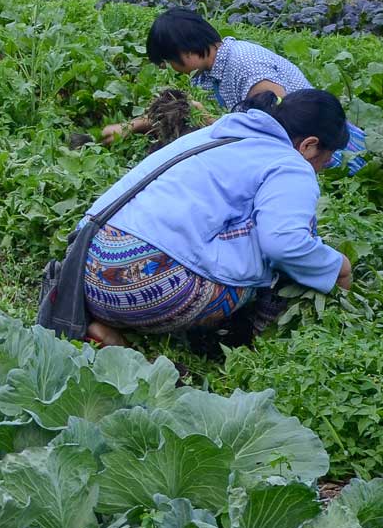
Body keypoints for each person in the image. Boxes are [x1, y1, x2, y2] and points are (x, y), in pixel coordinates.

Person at [79, 90, 354, 348]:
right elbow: (283, 242)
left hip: (85, 267)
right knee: (294, 234)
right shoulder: (290, 163)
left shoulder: (217, 133)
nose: (321, 169)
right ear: (309, 145)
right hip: (153, 289)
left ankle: (112, 331)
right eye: (325, 161)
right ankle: (258, 335)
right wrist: (335, 266)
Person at [103, 8, 366, 171]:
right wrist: (132, 126)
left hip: (332, 154)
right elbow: (186, 114)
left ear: (186, 51)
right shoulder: (208, 71)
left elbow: (278, 130)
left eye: (171, 61)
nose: (172, 68)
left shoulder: (245, 65)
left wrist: (207, 120)